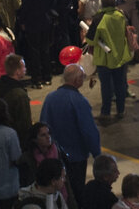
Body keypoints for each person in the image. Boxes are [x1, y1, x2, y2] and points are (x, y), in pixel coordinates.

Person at [43, 64, 102, 192]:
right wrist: (97, 154)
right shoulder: (79, 101)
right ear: (77, 80)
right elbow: (89, 131)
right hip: (76, 157)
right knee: (76, 189)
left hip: (54, 154)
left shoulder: (50, 98)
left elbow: (43, 124)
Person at [90, 0, 132, 120]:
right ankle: (121, 110)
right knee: (120, 85)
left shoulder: (98, 18)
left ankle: (106, 112)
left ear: (102, 2)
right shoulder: (121, 15)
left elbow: (91, 40)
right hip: (120, 56)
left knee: (106, 87)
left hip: (104, 58)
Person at [20, 0, 59, 87]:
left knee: (34, 51)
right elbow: (53, 2)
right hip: (46, 20)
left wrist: (22, 21)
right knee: (46, 49)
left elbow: (25, 7)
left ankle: (36, 78)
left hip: (33, 22)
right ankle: (47, 76)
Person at [0, 53, 33, 132]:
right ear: (17, 71)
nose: (25, 69)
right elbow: (24, 122)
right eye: (24, 67)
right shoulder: (19, 95)